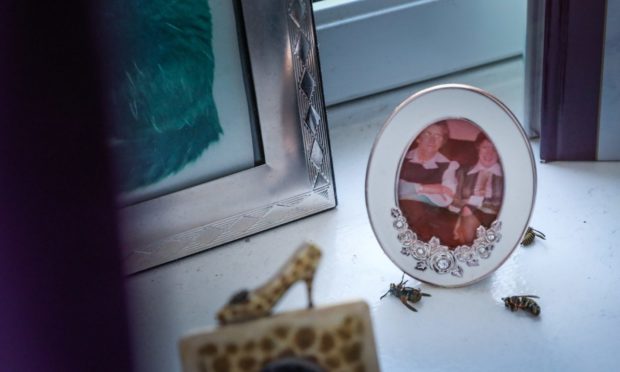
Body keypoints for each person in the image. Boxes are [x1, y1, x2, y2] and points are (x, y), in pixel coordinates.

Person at [398, 122, 460, 246]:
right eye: (428, 134)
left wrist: (410, 190)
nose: (432, 139)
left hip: (433, 212)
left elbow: (447, 197)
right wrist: (426, 188)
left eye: (438, 136)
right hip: (402, 210)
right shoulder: (401, 159)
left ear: (442, 142)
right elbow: (394, 189)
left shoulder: (448, 165)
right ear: (418, 138)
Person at [450, 132, 503, 244]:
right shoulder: (463, 172)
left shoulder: (506, 175)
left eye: (494, 148)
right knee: (467, 213)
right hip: (469, 215)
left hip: (497, 216)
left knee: (467, 210)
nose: (489, 152)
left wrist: (474, 202)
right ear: (478, 149)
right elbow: (455, 203)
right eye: (485, 147)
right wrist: (464, 211)